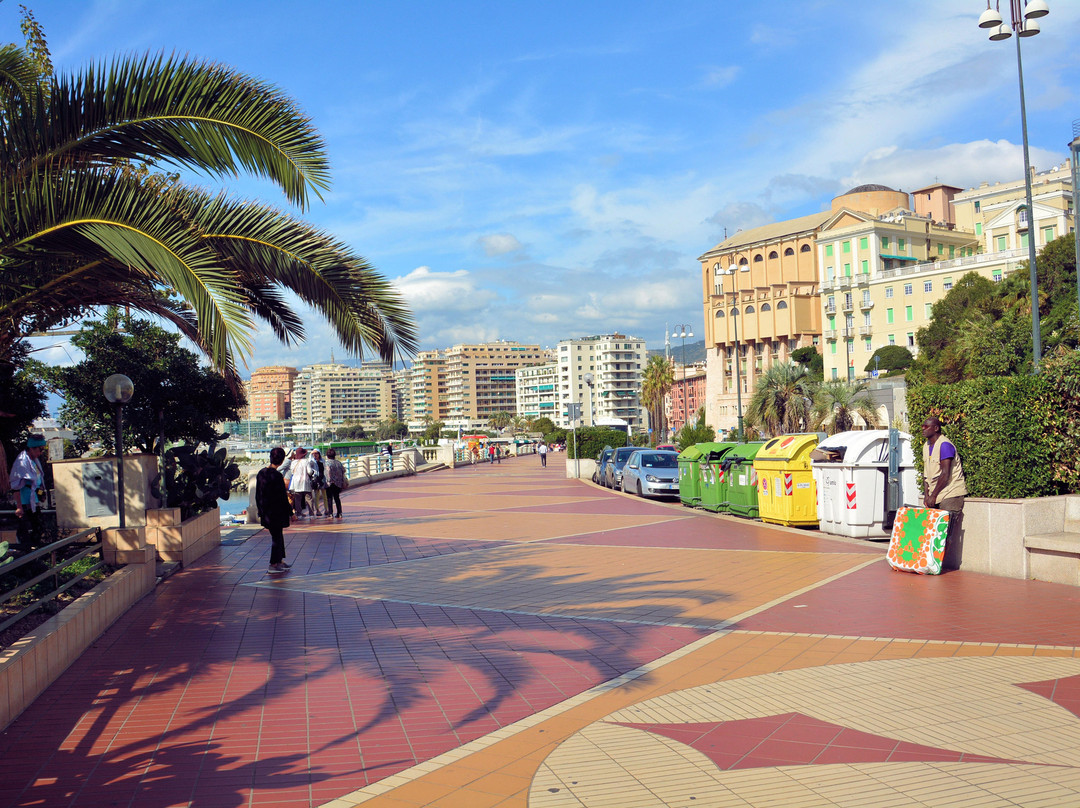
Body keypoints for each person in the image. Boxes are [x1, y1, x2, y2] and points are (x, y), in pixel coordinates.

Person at [922, 416, 968, 568]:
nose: (923, 428)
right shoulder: (926, 446)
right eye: (923, 426)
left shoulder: (945, 445)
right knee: (931, 528)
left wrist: (933, 495)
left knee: (944, 529)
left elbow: (945, 474)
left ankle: (937, 565)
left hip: (951, 492)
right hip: (936, 493)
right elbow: (925, 474)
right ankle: (928, 562)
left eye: (926, 426)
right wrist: (927, 495)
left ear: (936, 428)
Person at [256, 447, 293, 573]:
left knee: (277, 536)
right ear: (282, 460)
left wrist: (260, 510)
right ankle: (273, 564)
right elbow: (282, 496)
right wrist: (290, 512)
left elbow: (258, 494)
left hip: (266, 511)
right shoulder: (277, 476)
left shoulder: (261, 473)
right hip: (276, 512)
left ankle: (279, 561)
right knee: (277, 537)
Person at [10, 434, 47, 548]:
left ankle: (33, 553)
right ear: (32, 448)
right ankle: (25, 554)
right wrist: (19, 506)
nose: (41, 453)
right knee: (25, 530)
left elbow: (37, 482)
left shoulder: (34, 461)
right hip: (25, 502)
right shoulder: (22, 462)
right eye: (40, 449)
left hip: (33, 501)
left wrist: (41, 493)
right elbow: (15, 486)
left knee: (39, 528)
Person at [288, 447, 314, 517]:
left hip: (296, 483)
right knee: (309, 499)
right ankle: (311, 514)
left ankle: (298, 514)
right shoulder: (306, 461)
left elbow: (292, 472)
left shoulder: (293, 462)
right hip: (305, 482)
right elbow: (310, 471)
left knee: (297, 499)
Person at [324, 448, 347, 518]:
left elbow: (327, 473)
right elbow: (344, 470)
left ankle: (330, 513)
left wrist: (327, 481)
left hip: (330, 483)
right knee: (337, 498)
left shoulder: (327, 463)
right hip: (338, 483)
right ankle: (339, 512)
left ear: (327, 455)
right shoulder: (338, 463)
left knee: (329, 498)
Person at [309, 449, 328, 516]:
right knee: (316, 496)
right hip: (316, 480)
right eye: (314, 453)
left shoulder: (323, 460)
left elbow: (325, 469)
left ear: (319, 453)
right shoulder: (312, 461)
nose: (315, 454)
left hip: (323, 479)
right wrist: (310, 454)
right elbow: (309, 463)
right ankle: (317, 510)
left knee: (325, 495)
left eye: (316, 453)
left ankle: (326, 509)